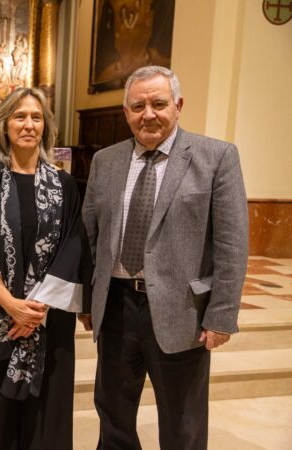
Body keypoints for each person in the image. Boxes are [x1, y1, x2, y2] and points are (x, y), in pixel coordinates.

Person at [81, 65, 248, 449]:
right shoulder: (106, 161)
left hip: (181, 312)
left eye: (158, 103)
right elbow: (91, 235)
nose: (148, 114)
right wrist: (90, 301)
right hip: (118, 307)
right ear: (126, 112)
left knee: (182, 423)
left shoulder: (216, 157)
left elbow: (232, 244)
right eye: (137, 106)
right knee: (114, 415)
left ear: (178, 105)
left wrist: (221, 315)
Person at [0, 87, 92, 449]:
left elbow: (71, 248)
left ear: (45, 126)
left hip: (49, 319)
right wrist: (12, 305)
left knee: (44, 417)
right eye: (19, 116)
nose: (28, 124)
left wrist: (33, 311)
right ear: (4, 126)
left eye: (36, 117)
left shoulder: (64, 186)